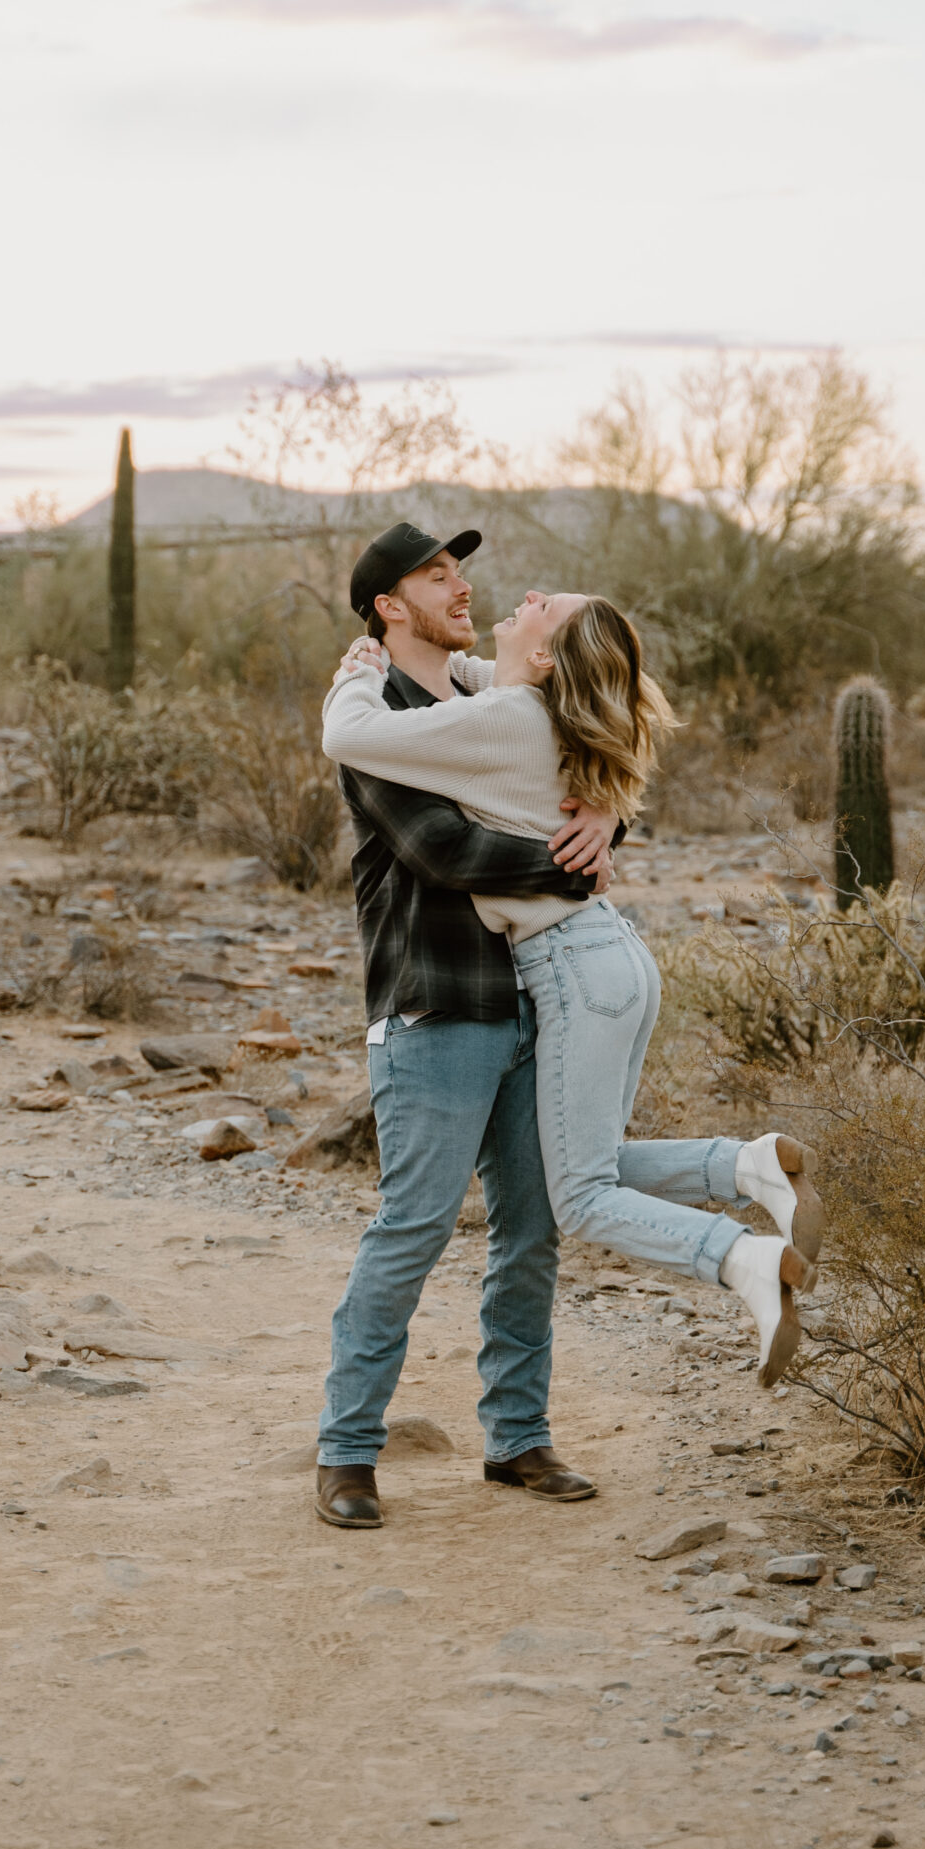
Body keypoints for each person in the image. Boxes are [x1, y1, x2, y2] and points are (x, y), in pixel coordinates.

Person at [321, 583, 824, 1387]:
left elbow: (350, 733)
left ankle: (742, 1258)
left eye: (544, 603)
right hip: (612, 959)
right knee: (584, 1162)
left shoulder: (505, 717)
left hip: (572, 969)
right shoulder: (534, 707)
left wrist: (356, 667)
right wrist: (601, 825)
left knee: (581, 1197)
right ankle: (746, 1168)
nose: (524, 593)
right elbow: (484, 679)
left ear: (549, 655)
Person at [314, 522, 619, 1532]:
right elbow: (446, 850)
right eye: (433, 573)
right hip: (436, 1002)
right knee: (412, 1228)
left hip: (540, 998)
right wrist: (572, 857)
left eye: (460, 567)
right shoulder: (385, 719)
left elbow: (586, 744)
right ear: (388, 607)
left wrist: (606, 820)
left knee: (530, 1231)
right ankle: (348, 1451)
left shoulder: (482, 697)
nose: (461, 584)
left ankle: (517, 1437)